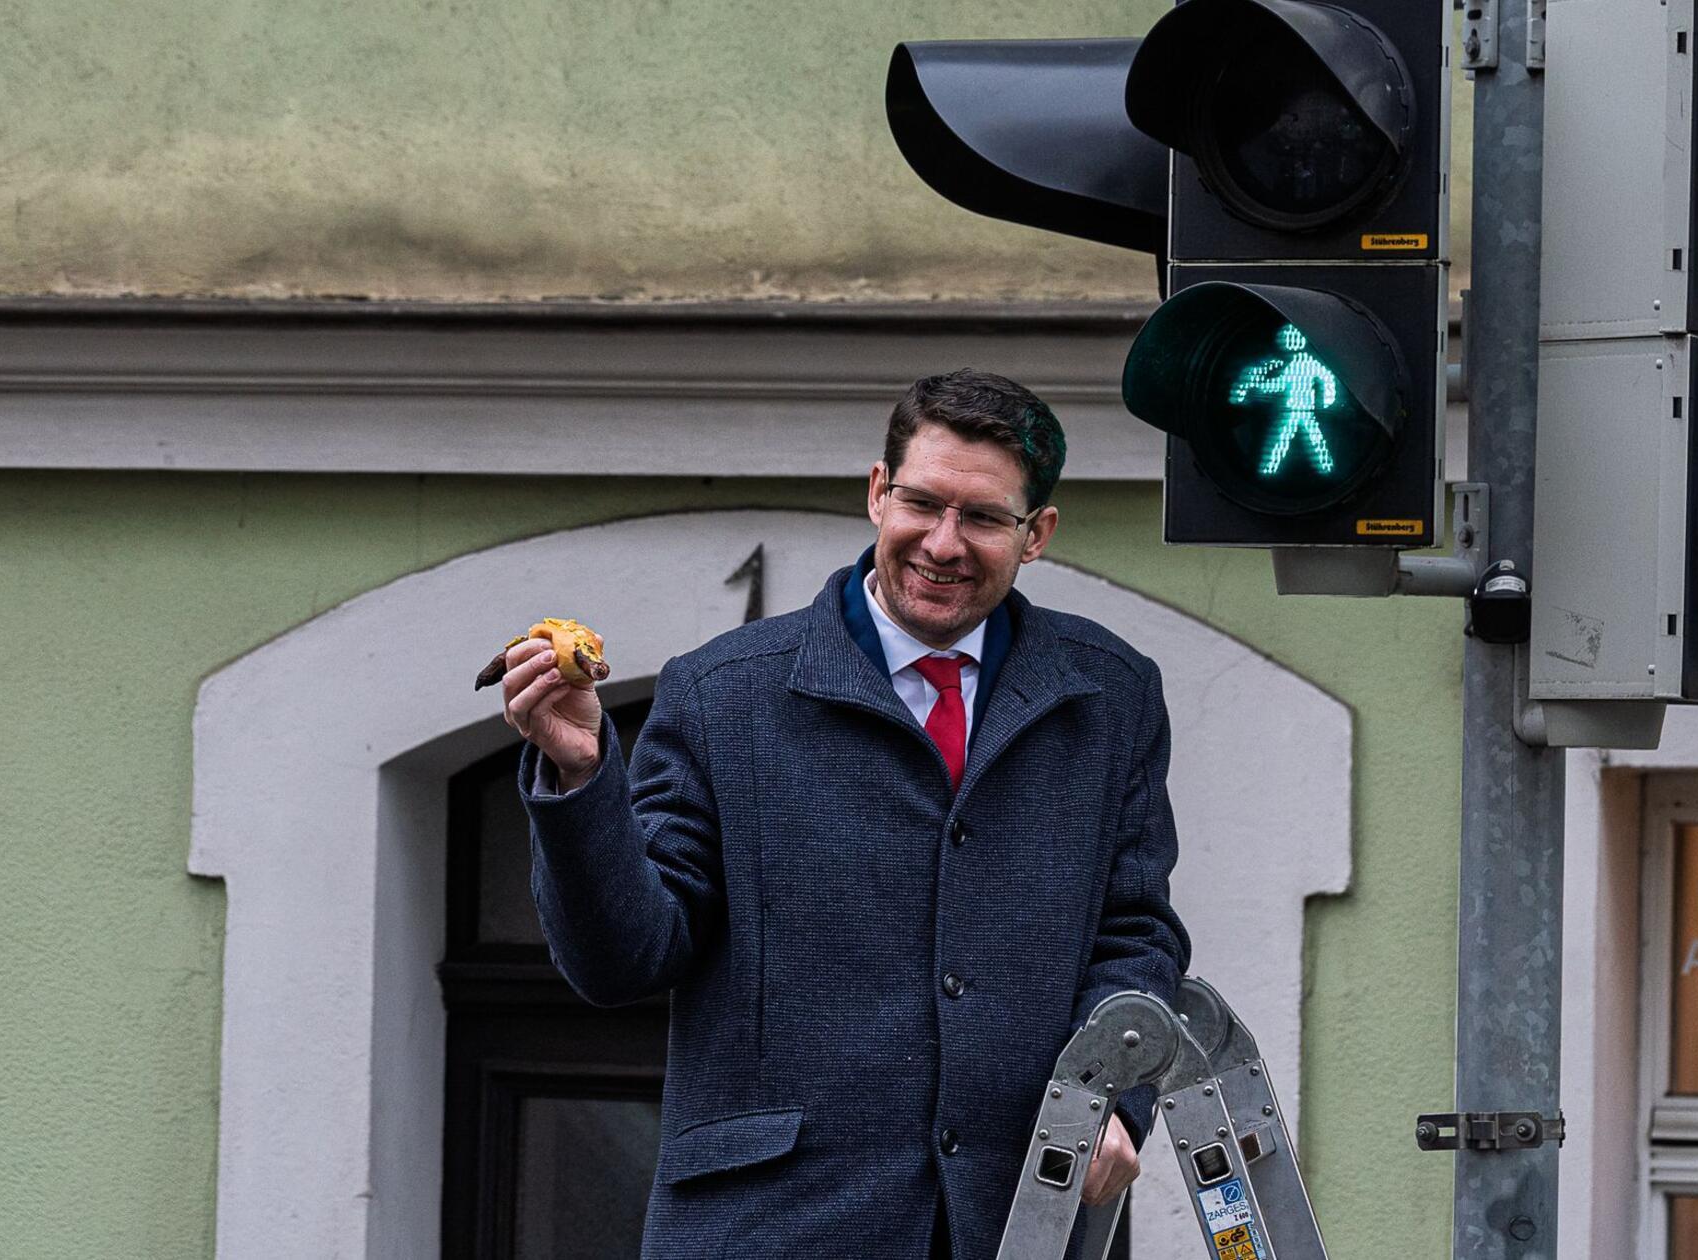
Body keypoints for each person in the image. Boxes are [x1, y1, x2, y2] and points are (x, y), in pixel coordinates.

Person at [498, 369, 1192, 1259]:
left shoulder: (1112, 693)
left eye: (982, 518)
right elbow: (625, 959)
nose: (943, 543)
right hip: (770, 1225)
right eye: (921, 503)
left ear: (1037, 536)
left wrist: (1110, 1094)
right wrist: (581, 772)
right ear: (876, 493)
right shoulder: (722, 694)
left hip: (1018, 1218)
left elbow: (1134, 933)